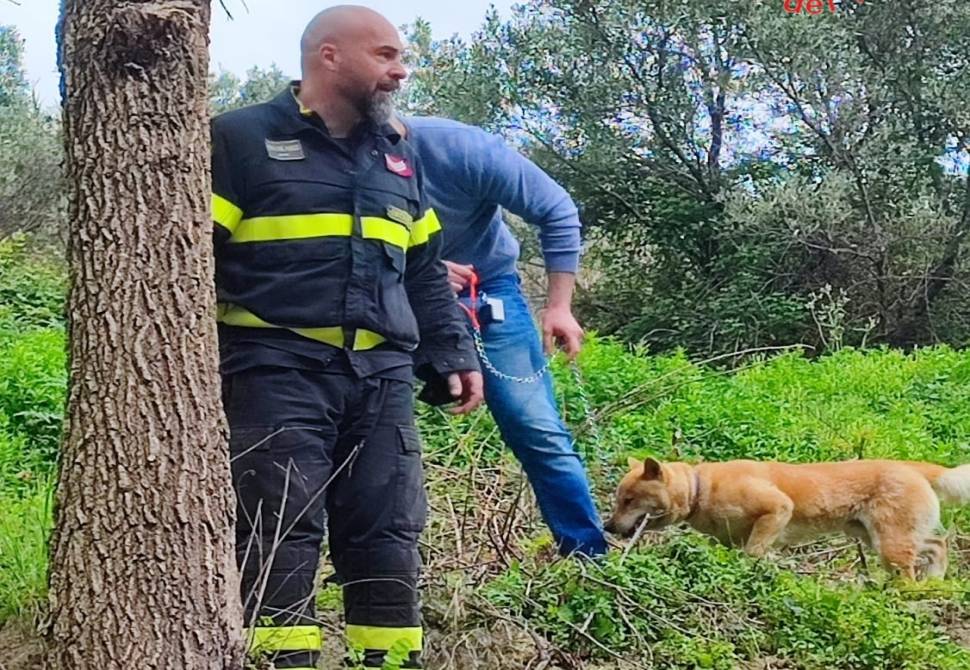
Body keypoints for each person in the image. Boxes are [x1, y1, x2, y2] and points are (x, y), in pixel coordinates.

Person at [210, 7, 483, 670]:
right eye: (387, 55)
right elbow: (189, 262)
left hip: (380, 379)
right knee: (278, 531)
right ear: (329, 56)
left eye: (402, 58)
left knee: (388, 531)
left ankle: (389, 662)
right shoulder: (239, 139)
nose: (401, 70)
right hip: (272, 370)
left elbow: (422, 269)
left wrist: (453, 352)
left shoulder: (397, 154)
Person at [390, 114, 609, 558]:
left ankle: (588, 557)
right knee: (369, 429)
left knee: (536, 427)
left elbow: (557, 209)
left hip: (485, 289)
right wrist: (420, 271)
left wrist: (559, 306)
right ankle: (376, 565)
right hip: (383, 292)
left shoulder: (464, 148)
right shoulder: (333, 160)